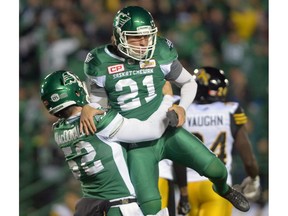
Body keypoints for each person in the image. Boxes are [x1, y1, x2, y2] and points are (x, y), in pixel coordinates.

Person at [80, 5, 250, 215]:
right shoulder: (100, 61)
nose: (144, 43)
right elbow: (99, 103)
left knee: (217, 169)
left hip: (168, 131)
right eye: (136, 37)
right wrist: (90, 107)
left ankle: (224, 190)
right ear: (118, 36)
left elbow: (189, 83)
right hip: (136, 144)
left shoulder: (160, 51)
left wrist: (181, 107)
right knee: (151, 205)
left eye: (148, 36)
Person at [40, 70, 176, 216]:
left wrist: (89, 106)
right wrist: (167, 98)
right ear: (76, 92)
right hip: (119, 206)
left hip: (92, 207)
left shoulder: (58, 130)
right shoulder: (97, 121)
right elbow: (153, 131)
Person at [159, 66, 261, 216]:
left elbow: (176, 150)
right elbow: (248, 158)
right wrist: (254, 177)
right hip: (218, 186)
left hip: (185, 184)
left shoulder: (179, 107)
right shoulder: (230, 110)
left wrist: (183, 191)